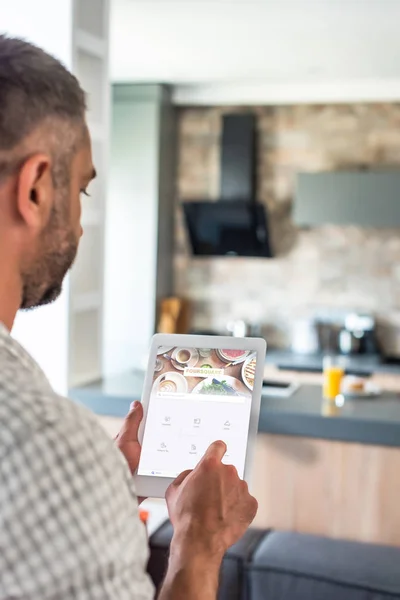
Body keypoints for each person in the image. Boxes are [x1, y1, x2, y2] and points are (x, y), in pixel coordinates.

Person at [0, 34, 258, 599]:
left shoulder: (55, 459)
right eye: (83, 192)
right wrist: (197, 541)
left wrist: (100, 492)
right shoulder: (44, 442)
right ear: (37, 188)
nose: (82, 224)